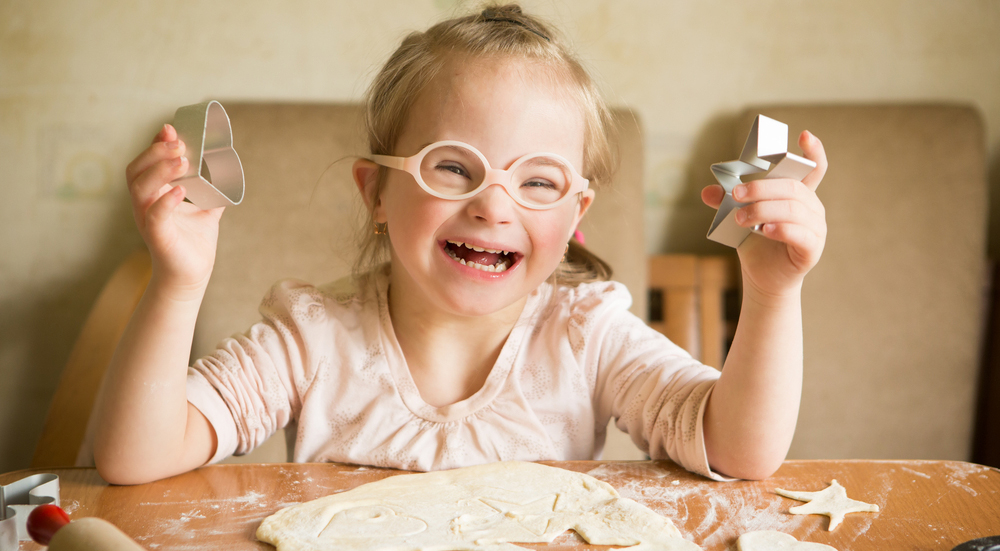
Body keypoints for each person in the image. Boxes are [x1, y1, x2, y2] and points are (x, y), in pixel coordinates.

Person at [93, 4, 827, 486]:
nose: (491, 204)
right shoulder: (312, 338)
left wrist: (771, 293)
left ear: (576, 214)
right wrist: (177, 282)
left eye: (538, 182)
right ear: (375, 193)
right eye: (452, 167)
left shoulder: (585, 336)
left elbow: (737, 450)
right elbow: (136, 458)